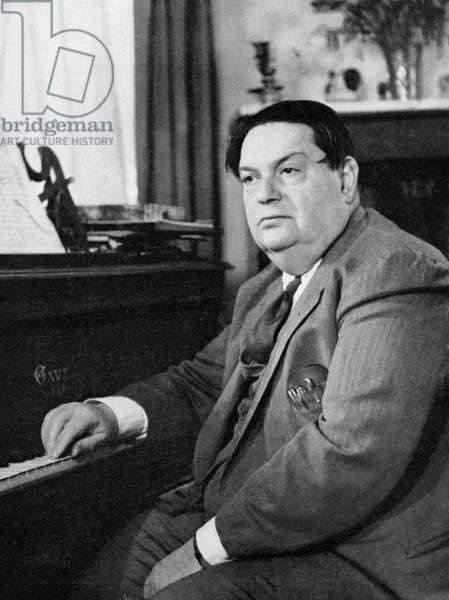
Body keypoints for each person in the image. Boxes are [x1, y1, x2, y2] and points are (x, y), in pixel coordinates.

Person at [42, 100, 449, 600]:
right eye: (251, 178)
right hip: (248, 519)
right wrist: (109, 413)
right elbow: (200, 383)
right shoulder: (264, 289)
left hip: (358, 553)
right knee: (100, 583)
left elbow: (349, 455)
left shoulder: (395, 269)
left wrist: (203, 550)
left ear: (345, 180)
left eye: (289, 171)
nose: (265, 194)